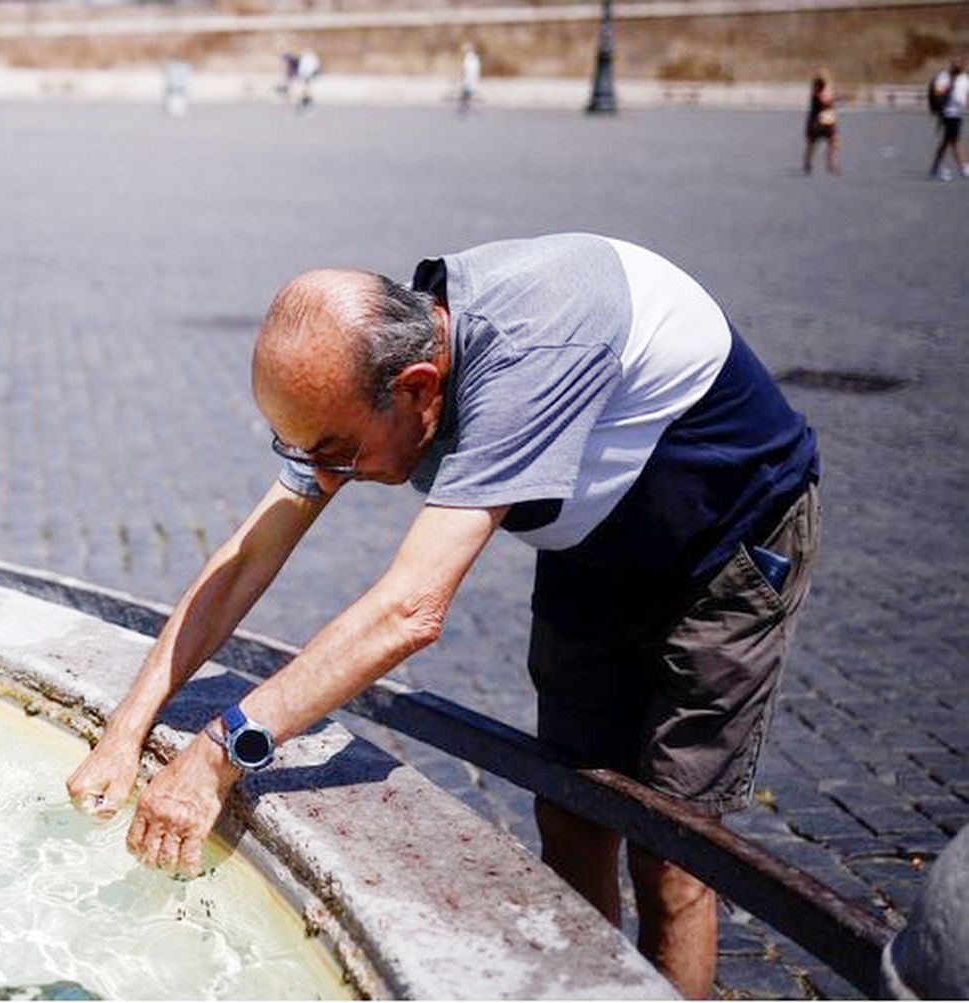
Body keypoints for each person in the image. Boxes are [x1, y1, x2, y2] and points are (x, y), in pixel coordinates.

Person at [66, 234, 821, 1000]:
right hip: (592, 541)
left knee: (672, 853)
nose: (322, 476)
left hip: (724, 548)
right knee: (571, 812)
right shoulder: (375, 368)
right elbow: (246, 561)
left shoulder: (527, 359)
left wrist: (220, 751)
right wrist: (127, 730)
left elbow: (411, 609)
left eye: (337, 454)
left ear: (420, 389)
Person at [929, 59, 969, 181]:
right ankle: (963, 167)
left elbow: (967, 95)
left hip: (958, 113)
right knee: (954, 140)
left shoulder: (965, 79)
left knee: (947, 142)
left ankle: (935, 167)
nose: (958, 66)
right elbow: (937, 92)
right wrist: (949, 86)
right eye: (956, 64)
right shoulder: (944, 77)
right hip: (948, 113)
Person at [803, 70, 839, 175]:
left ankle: (831, 165)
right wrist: (833, 99)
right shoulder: (816, 93)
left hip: (827, 121)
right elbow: (825, 101)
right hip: (817, 122)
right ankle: (808, 164)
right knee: (812, 144)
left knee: (833, 142)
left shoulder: (826, 91)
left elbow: (829, 101)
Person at [458, 41, 482, 114]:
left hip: (470, 77)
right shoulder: (474, 57)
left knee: (468, 88)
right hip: (471, 77)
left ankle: (466, 103)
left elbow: (466, 69)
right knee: (468, 88)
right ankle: (467, 103)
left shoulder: (470, 57)